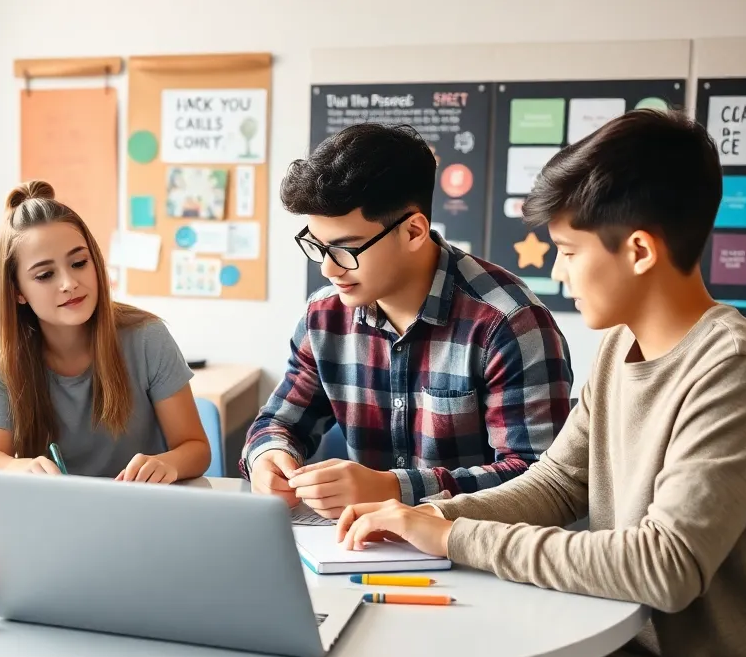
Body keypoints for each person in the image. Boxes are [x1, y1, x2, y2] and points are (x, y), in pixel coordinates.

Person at [319, 109, 746, 657]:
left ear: (638, 250)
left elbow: (663, 568)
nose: (558, 271)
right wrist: (424, 515)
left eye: (571, 251)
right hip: (608, 653)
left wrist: (452, 536)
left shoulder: (733, 372)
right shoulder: (619, 351)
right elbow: (557, 483)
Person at [0, 180, 211, 657]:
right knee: (31, 596)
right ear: (19, 292)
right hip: (60, 540)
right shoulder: (4, 359)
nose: (70, 283)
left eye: (79, 263)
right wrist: (17, 467)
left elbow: (195, 447)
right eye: (45, 273)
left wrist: (166, 462)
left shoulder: (145, 337)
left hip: (145, 530)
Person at [244, 122, 574, 528]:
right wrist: (268, 457)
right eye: (317, 246)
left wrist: (392, 489)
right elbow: (278, 421)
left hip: (479, 553)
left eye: (345, 249)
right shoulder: (324, 315)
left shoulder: (509, 324)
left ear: (414, 231)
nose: (328, 268)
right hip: (360, 547)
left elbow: (541, 481)